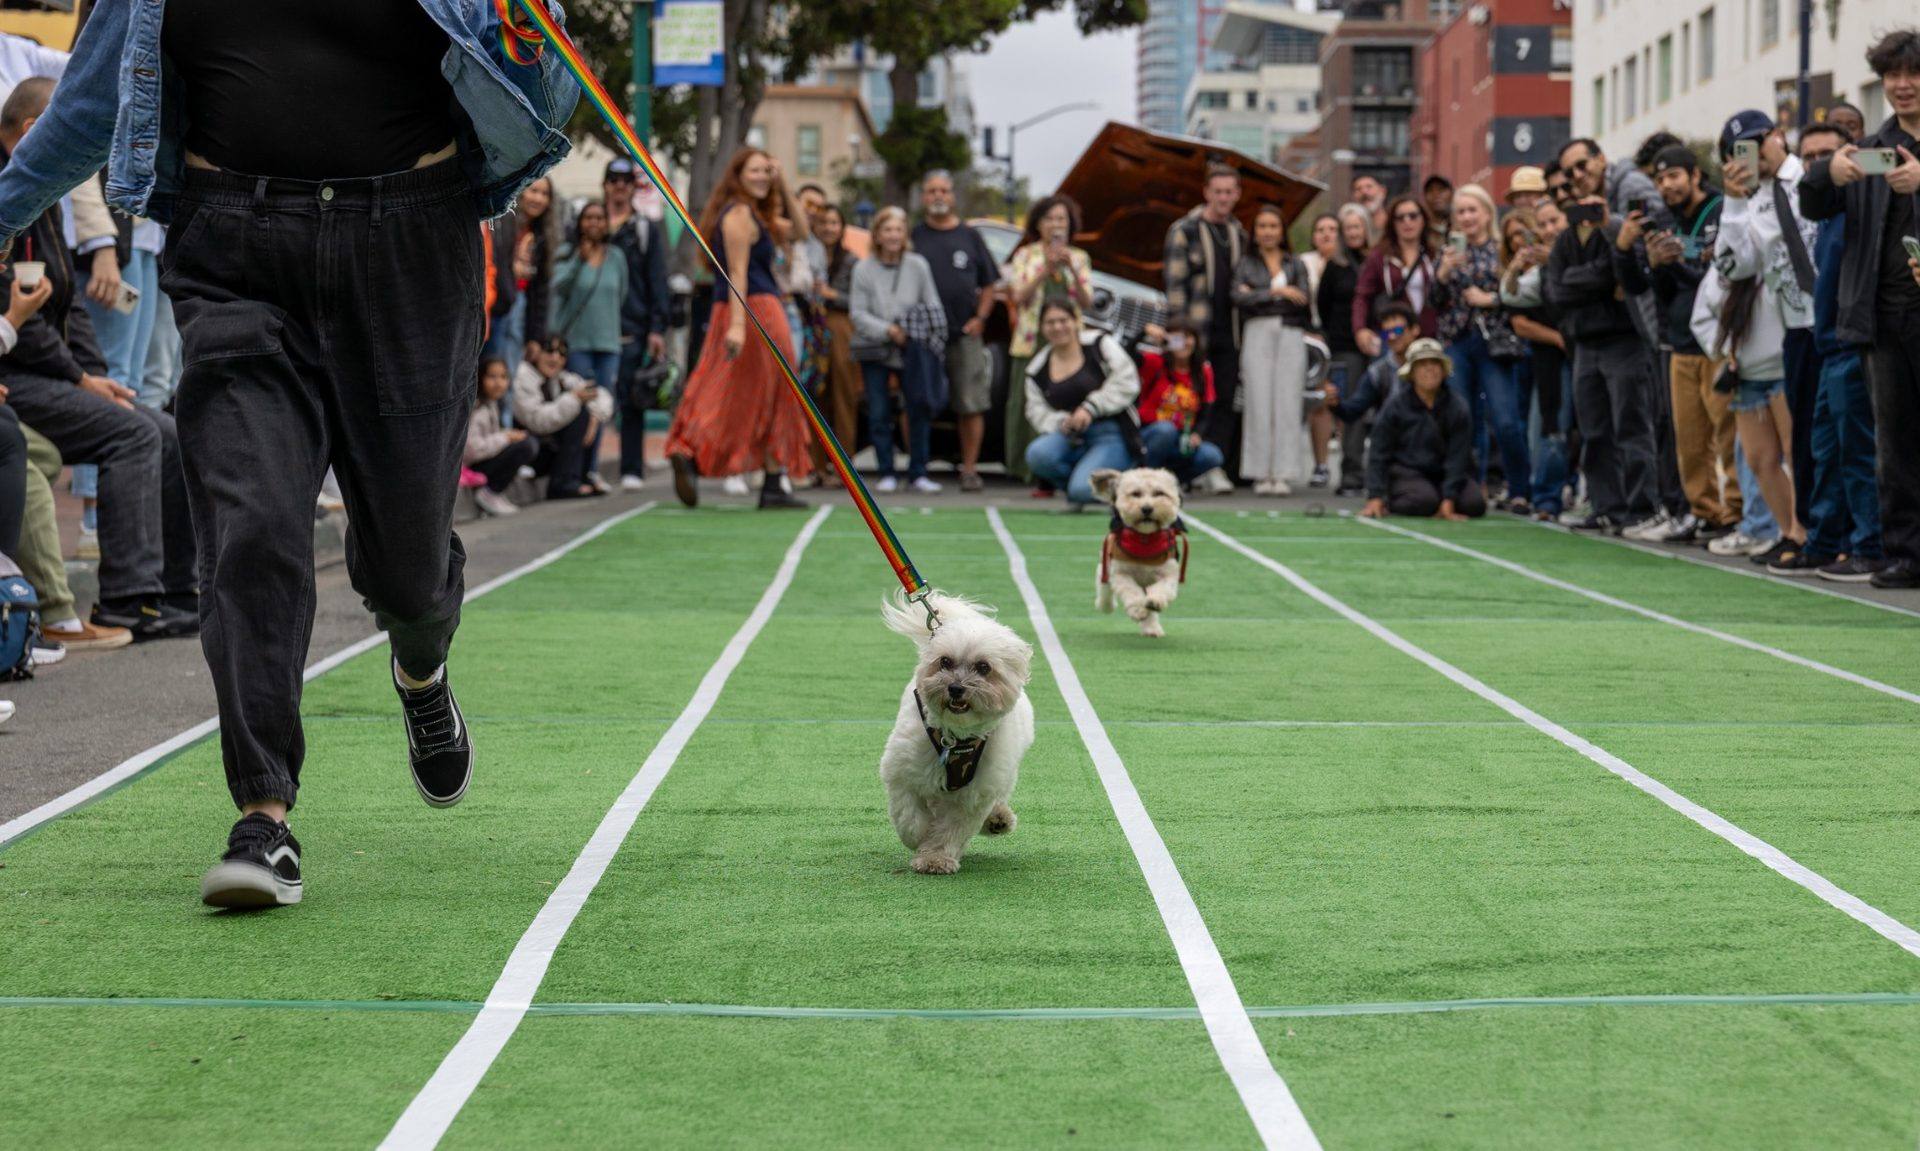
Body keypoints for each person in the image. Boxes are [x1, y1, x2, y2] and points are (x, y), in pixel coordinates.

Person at [0, 0, 582, 907]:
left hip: (412, 247)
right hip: (236, 248)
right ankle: (264, 816)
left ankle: (420, 666)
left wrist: (531, 30)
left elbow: (552, 85)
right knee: (254, 526)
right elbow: (87, 100)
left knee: (409, 569)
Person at [0, 79, 198, 641]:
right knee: (131, 434)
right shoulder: (11, 192)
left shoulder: (40, 187)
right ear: (34, 131)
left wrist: (95, 376)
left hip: (43, 370)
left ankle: (175, 594)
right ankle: (126, 601)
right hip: (15, 371)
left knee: (166, 429)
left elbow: (67, 303)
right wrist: (78, 377)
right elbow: (23, 319)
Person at [1798, 27, 1920, 588]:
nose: (1903, 84)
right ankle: (1905, 554)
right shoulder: (1872, 149)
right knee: (1893, 443)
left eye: (1912, 73)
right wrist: (1828, 172)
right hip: (1882, 318)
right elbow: (1813, 203)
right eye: (1892, 75)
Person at [666, 148, 813, 510]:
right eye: (755, 171)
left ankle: (696, 454)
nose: (762, 176)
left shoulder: (754, 215)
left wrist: (784, 182)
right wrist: (737, 326)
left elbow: (801, 230)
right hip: (755, 310)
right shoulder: (740, 215)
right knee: (765, 391)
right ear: (738, 175)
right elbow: (737, 273)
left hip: (736, 311)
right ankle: (696, 452)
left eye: (766, 170)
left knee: (729, 387)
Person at [1716, 110, 1823, 571]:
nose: (1749, 156)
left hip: (1827, 317)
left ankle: (1820, 532)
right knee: (1767, 456)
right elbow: (1733, 265)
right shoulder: (1752, 201)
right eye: (1735, 152)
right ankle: (1793, 532)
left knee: (1809, 443)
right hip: (1791, 328)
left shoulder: (1811, 177)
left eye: (1755, 143)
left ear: (1777, 136)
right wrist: (1733, 202)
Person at [1617, 144, 1732, 543]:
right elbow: (1653, 289)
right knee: (1689, 440)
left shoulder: (1721, 210)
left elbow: (1715, 280)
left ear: (1695, 174)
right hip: (1679, 341)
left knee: (1727, 435)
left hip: (1717, 341)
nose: (1666, 185)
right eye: (1660, 178)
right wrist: (1642, 258)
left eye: (1673, 176)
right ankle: (1704, 513)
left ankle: (1735, 515)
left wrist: (1675, 265)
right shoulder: (1666, 219)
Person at [1794, 123, 1883, 581]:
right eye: (1809, 156)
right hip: (1826, 342)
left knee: (1859, 452)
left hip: (1854, 341)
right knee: (1825, 451)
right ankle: (1823, 542)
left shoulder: (1864, 202)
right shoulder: (1824, 209)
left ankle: (1870, 545)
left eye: (1827, 154)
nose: (1818, 163)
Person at [1546, 180, 1659, 534]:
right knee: (1593, 431)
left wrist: (1581, 279)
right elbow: (1557, 289)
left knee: (1631, 425)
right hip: (1584, 343)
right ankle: (1606, 505)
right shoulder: (1564, 241)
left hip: (1623, 340)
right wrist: (1597, 281)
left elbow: (1621, 269)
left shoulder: (1616, 232)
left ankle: (1642, 507)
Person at [1435, 182, 1529, 511]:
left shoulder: (1502, 248)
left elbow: (1521, 293)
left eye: (1472, 210)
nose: (1467, 217)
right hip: (1457, 341)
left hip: (1495, 342)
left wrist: (1490, 299)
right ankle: (1470, 488)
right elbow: (1434, 301)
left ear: (1487, 213)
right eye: (1460, 212)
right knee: (1464, 419)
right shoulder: (1448, 251)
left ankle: (1519, 488)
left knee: (1505, 420)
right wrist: (1443, 273)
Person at [911, 169, 1001, 492]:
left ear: (952, 196)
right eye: (931, 190)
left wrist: (981, 318)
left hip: (964, 334)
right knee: (917, 402)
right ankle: (917, 469)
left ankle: (969, 469)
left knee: (970, 403)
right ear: (923, 197)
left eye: (943, 191)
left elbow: (989, 283)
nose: (938, 196)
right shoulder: (914, 237)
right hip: (923, 336)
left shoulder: (970, 236)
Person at [851, 205, 945, 495]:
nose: (893, 235)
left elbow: (932, 304)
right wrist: (888, 330)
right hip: (875, 348)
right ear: (877, 234)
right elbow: (858, 313)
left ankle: (918, 471)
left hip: (912, 347)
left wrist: (915, 330)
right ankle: (886, 470)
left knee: (918, 406)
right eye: (887, 229)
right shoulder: (863, 268)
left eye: (898, 230)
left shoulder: (918, 265)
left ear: (905, 234)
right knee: (879, 410)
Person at [1004, 194, 1094, 490]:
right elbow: (1019, 296)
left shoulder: (1079, 258)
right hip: (1032, 341)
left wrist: (1070, 270)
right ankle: (1026, 470)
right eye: (1050, 219)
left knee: (1067, 401)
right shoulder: (1025, 255)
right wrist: (1045, 268)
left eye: (1061, 219)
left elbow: (1087, 302)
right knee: (1027, 403)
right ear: (1038, 224)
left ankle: (1062, 469)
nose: (1056, 225)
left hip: (1069, 343)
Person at [1164, 163, 1249, 477]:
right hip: (1195, 332)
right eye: (1218, 192)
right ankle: (1184, 466)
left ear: (1237, 194)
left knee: (1224, 398)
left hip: (1232, 331)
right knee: (1191, 396)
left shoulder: (1239, 233)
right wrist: (1177, 340)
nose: (1223, 198)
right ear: (1206, 193)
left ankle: (1215, 466)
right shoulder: (1184, 230)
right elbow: (1174, 289)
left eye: (1229, 192)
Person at [1023, 299, 1142, 508]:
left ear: (1076, 321)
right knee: (1037, 454)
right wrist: (1061, 421)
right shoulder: (1036, 369)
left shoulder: (1100, 344)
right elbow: (1035, 410)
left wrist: (1091, 407)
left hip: (1111, 432)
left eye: (1063, 320)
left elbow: (1128, 381)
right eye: (1050, 322)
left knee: (1082, 490)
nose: (1057, 327)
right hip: (1070, 438)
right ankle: (1082, 484)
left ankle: (1095, 483)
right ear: (1041, 327)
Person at [1231, 203, 1311, 496]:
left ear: (1282, 231)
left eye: (1273, 226)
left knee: (1288, 402)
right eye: (1262, 226)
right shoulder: (1246, 263)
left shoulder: (1295, 263)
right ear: (1254, 232)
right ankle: (1260, 471)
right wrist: (1277, 292)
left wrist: (1257, 294)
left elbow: (1302, 299)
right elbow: (1238, 297)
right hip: (1257, 332)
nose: (1268, 232)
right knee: (1258, 401)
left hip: (1290, 332)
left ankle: (1284, 471)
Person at [1359, 337, 1487, 520]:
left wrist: (1449, 497)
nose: (1429, 369)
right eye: (1422, 364)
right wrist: (1375, 495)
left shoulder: (1458, 406)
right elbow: (1379, 450)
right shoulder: (1395, 405)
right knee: (1423, 501)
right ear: (1411, 372)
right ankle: (1391, 500)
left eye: (1434, 363)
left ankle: (1442, 498)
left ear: (1443, 370)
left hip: (1445, 473)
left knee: (1474, 504)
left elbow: (1458, 457)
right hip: (1407, 472)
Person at [1500, 204, 1574, 519]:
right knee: (1549, 427)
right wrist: (1516, 267)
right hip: (1552, 360)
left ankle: (1584, 495)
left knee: (1586, 431)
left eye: (1553, 221)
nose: (1548, 229)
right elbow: (1511, 296)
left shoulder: (1579, 253)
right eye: (1542, 225)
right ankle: (1546, 499)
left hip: (1591, 349)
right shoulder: (1539, 269)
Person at [603, 157, 671, 492]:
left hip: (633, 324)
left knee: (632, 399)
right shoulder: (592, 223)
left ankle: (632, 467)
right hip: (595, 325)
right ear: (605, 185)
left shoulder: (644, 229)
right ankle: (585, 467)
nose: (619, 186)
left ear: (633, 187)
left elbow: (657, 280)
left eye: (625, 181)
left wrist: (657, 327)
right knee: (594, 397)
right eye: (613, 180)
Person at [550, 199, 626, 492]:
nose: (594, 223)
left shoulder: (616, 257)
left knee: (602, 409)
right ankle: (574, 471)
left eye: (599, 218)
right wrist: (579, 261)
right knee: (580, 405)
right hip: (577, 343)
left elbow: (621, 294)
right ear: (580, 222)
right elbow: (558, 287)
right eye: (588, 217)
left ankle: (592, 470)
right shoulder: (567, 253)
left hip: (608, 344)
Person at [1136, 318, 1229, 492]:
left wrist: (1197, 434)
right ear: (1167, 340)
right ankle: (1144, 480)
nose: (1183, 343)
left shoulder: (1203, 371)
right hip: (1151, 434)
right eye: (1177, 338)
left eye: (1188, 337)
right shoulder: (1156, 362)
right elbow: (1126, 356)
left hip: (1182, 438)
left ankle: (1169, 484)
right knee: (1166, 430)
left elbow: (1206, 410)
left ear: (1195, 340)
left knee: (1212, 455)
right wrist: (1143, 333)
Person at [513, 336, 611, 500]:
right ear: (536, 352)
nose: (555, 358)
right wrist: (574, 399)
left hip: (546, 448)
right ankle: (563, 483)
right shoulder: (523, 375)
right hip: (528, 451)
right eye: (549, 351)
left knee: (587, 412)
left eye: (561, 354)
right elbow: (537, 421)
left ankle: (582, 476)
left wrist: (595, 416)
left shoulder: (561, 377)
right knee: (579, 413)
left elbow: (602, 395)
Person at [1304, 211, 1360, 490]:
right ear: (1313, 236)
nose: (1327, 234)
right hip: (1314, 339)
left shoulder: (1349, 262)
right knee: (1321, 402)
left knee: (1343, 400)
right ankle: (1321, 464)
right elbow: (1320, 305)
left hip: (1343, 341)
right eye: (1321, 229)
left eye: (1332, 229)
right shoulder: (1305, 262)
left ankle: (1350, 464)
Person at [809, 203, 862, 487]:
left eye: (834, 223)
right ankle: (816, 466)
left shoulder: (852, 261)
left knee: (844, 395)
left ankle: (845, 464)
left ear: (842, 228)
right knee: (815, 395)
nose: (828, 228)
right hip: (812, 327)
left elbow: (859, 301)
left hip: (841, 326)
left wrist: (832, 295)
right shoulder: (806, 256)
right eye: (823, 223)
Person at [1331, 300, 1421, 466]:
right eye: (1386, 334)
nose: (1392, 337)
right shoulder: (1378, 372)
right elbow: (1352, 411)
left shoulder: (1431, 367)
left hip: (1426, 449)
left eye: (1398, 330)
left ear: (1415, 329)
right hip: (1391, 454)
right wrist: (1334, 402)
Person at [1354, 194, 1440, 352]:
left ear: (1423, 220)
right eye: (1400, 218)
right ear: (1392, 223)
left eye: (1413, 216)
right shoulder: (1379, 256)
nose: (1407, 221)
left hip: (1427, 332)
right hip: (1393, 331)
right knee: (1389, 366)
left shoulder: (1433, 254)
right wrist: (1360, 329)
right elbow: (1362, 295)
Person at [463, 356, 536, 518]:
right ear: (480, 377)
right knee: (526, 446)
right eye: (492, 376)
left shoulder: (492, 404)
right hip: (472, 466)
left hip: (482, 460)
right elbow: (471, 450)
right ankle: (490, 492)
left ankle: (494, 492)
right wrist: (505, 438)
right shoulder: (478, 408)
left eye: (503, 377)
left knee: (527, 441)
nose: (499, 383)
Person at [514, 176, 558, 355]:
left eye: (545, 194)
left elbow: (540, 289)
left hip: (522, 311)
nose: (538, 199)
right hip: (501, 307)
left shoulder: (543, 235)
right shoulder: (503, 225)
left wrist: (535, 337)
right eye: (533, 191)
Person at [1422, 174, 1454, 250]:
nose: (1436, 195)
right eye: (1430, 190)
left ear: (1451, 194)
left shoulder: (1461, 225)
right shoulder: (1421, 229)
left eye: (1441, 190)